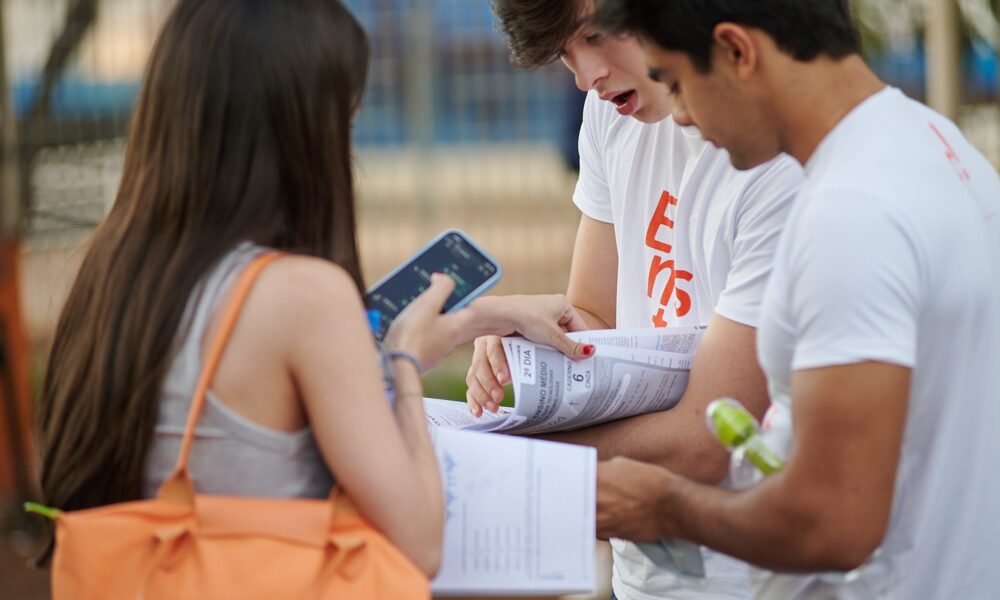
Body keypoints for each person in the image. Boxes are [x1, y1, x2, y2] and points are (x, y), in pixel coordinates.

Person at [34, 0, 591, 577]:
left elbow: (268, 367)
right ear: (298, 130)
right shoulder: (302, 295)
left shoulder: (113, 270)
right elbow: (418, 544)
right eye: (343, 124)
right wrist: (402, 365)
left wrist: (480, 317)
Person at [590, 0, 1000, 597]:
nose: (678, 116)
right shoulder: (938, 143)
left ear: (737, 50)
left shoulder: (850, 212)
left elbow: (835, 522)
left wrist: (666, 508)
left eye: (676, 82)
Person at [467, 1, 803, 597]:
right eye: (566, 55)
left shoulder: (774, 160)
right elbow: (597, 319)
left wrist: (507, 458)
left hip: (754, 572)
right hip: (644, 567)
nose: (586, 76)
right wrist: (533, 344)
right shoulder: (609, 119)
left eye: (595, 36)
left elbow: (709, 442)